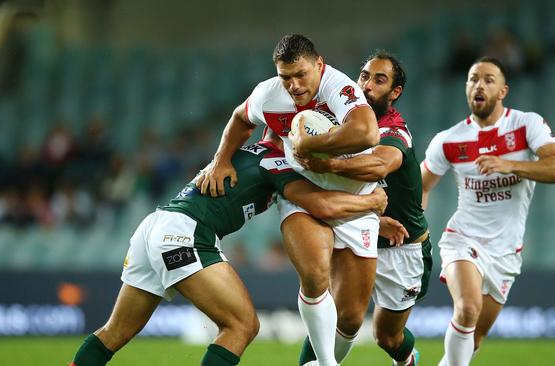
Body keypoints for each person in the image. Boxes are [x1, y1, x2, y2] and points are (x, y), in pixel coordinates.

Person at [68, 134, 388, 366]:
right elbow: (321, 205)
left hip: (156, 226)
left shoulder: (256, 152)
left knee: (115, 331)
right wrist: (371, 203)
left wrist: (373, 222)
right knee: (242, 325)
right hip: (187, 233)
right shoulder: (278, 163)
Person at [198, 34, 380, 366]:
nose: (294, 85)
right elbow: (240, 119)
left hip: (355, 196)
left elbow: (367, 133)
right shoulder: (269, 94)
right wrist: (220, 160)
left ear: (319, 65)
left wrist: (309, 145)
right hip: (302, 190)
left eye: (301, 75)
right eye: (286, 77)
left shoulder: (339, 88)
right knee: (314, 276)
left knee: (352, 317)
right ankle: (325, 363)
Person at [420, 57, 555, 366]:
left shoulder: (526, 125)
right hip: (463, 239)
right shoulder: (449, 141)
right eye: (473, 78)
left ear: (503, 90)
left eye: (488, 80)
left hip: (506, 252)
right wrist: (414, 234)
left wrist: (509, 164)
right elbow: (420, 187)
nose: (479, 85)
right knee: (467, 309)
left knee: (474, 337)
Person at [295, 51, 431, 366]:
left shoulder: (394, 131)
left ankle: (407, 358)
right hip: (359, 228)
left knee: (387, 337)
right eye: (364, 76)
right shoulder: (342, 120)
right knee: (340, 316)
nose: (367, 85)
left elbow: (378, 166)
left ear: (395, 93)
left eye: (379, 79)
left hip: (403, 247)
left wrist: (325, 162)